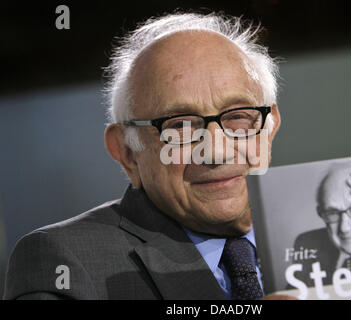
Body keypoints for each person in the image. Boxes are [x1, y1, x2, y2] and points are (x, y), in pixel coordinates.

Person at [3, 12, 285, 300]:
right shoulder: (63, 262)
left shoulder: (319, 227)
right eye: (180, 126)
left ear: (270, 125)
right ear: (127, 152)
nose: (217, 152)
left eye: (238, 117)